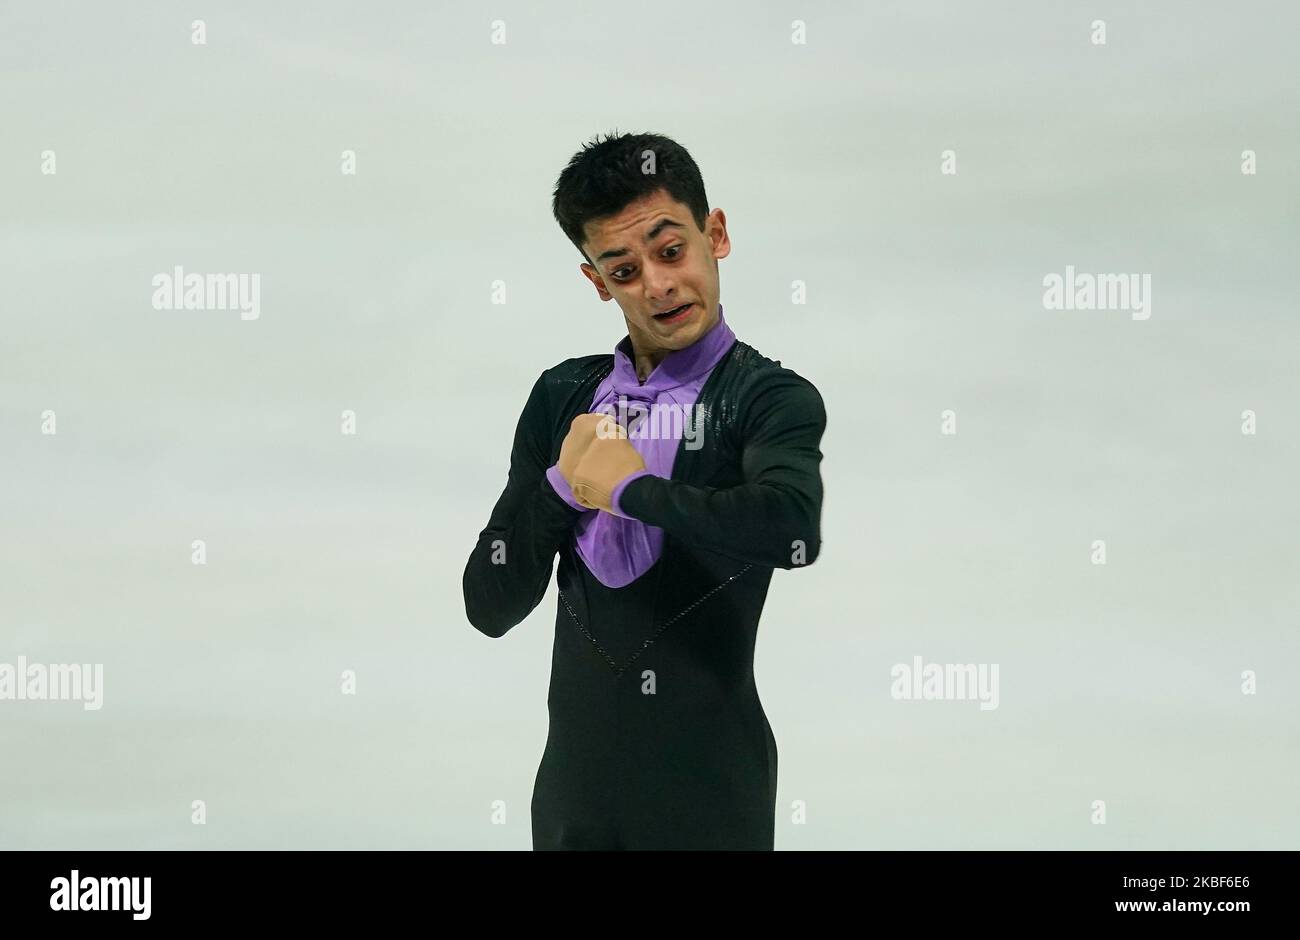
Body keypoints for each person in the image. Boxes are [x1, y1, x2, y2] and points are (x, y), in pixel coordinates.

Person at [462, 131, 827, 850]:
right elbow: (490, 604)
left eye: (670, 251)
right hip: (576, 798)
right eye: (624, 269)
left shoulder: (766, 398)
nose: (657, 285)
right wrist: (561, 489)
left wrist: (631, 491)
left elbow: (791, 530)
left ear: (714, 234)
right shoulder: (563, 394)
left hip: (711, 793)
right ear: (596, 280)